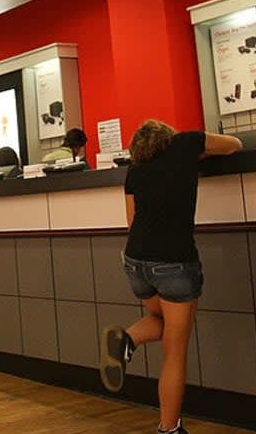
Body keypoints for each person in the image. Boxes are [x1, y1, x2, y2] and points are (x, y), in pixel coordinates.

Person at [99, 119, 240, 434]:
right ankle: (169, 429)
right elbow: (234, 145)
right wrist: (199, 153)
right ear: (168, 137)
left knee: (161, 321)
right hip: (174, 262)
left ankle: (127, 341)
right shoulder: (185, 143)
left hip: (135, 262)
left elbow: (131, 221)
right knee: (175, 351)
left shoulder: (134, 170)